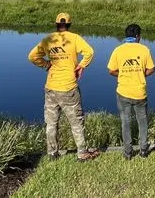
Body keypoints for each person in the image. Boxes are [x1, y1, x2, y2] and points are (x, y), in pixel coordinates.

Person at [27, 12, 100, 162]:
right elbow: (90, 52)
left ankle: (52, 153)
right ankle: (82, 153)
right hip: (69, 88)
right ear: (69, 25)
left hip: (51, 87)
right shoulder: (74, 38)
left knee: (51, 123)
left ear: (56, 25)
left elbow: (32, 56)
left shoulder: (48, 39)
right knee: (76, 122)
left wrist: (47, 64)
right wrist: (81, 66)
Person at [106, 23, 155, 160]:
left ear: (126, 35)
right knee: (143, 122)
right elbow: (152, 69)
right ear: (138, 36)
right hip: (140, 93)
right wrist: (140, 73)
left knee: (125, 122)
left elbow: (111, 70)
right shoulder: (144, 49)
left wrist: (122, 74)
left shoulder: (118, 50)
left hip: (123, 92)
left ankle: (128, 152)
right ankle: (144, 150)